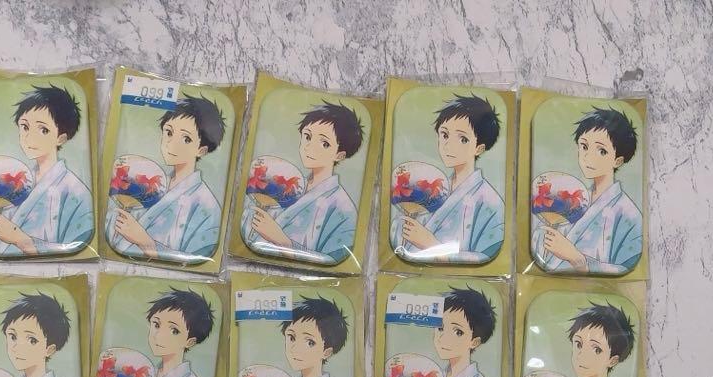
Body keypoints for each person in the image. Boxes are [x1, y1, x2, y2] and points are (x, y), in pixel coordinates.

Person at [0, 83, 94, 256]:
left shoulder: (76, 191)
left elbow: (75, 243)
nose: (29, 137)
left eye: (43, 130)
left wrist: (19, 239)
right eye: (25, 127)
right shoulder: (15, 182)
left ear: (61, 138)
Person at [107, 94, 226, 262]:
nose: (171, 143)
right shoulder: (151, 184)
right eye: (169, 132)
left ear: (201, 150)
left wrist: (145, 242)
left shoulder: (207, 206)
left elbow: (196, 258)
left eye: (186, 139)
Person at [242, 101, 364, 265]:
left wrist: (282, 241)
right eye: (307, 137)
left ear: (339, 155)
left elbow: (333, 259)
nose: (310, 147)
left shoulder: (342, 208)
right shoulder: (290, 186)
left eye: (324, 144)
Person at [391, 93, 504, 264]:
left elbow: (487, 255)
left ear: (479, 148)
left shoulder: (489, 201)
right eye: (444, 135)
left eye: (463, 139)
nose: (449, 145)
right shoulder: (432, 188)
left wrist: (432, 245)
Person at [531, 106, 642, 274]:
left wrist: (576, 258)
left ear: (618, 161)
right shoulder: (572, 199)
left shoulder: (629, 214)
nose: (588, 156)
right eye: (584, 146)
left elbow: (626, 269)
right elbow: (541, 246)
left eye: (602, 151)